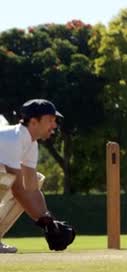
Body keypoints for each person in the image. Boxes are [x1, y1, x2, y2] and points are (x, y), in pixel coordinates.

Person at [0, 99, 75, 253]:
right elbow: (18, 190)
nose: (54, 125)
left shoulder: (30, 143)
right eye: (50, 120)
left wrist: (49, 221)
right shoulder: (13, 139)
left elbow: (32, 189)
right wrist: (43, 222)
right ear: (33, 122)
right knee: (6, 179)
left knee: (35, 179)